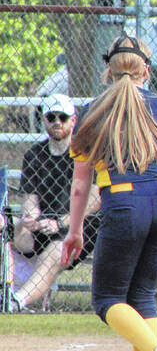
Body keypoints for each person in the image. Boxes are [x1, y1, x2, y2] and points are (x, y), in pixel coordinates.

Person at [60, 34, 157, 351]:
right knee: (141, 296)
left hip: (125, 205)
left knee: (107, 299)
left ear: (108, 70)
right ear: (146, 72)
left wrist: (74, 232)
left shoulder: (90, 111)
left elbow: (80, 185)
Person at [1, 94, 101, 313]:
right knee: (3, 225)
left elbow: (93, 201)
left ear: (73, 120)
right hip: (42, 225)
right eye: (51, 117)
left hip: (76, 228)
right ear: (44, 120)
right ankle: (4, 288)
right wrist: (30, 219)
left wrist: (60, 223)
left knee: (55, 251)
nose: (57, 122)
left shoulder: (85, 153)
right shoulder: (34, 155)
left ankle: (14, 302)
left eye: (63, 117)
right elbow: (30, 201)